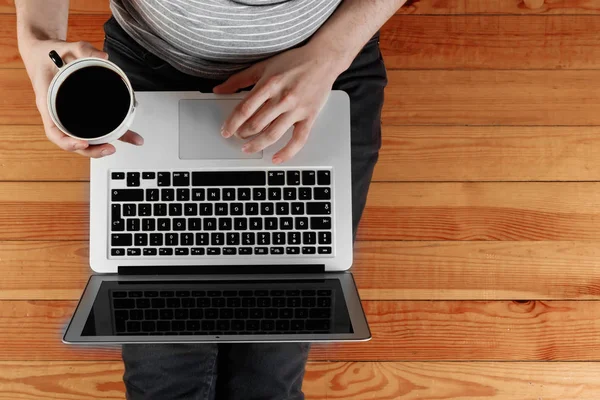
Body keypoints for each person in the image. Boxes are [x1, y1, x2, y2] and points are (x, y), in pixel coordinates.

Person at [16, 1, 406, 399]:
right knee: (162, 384)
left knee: (266, 380)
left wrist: (331, 54)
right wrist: (37, 40)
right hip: (147, 67)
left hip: (323, 64)